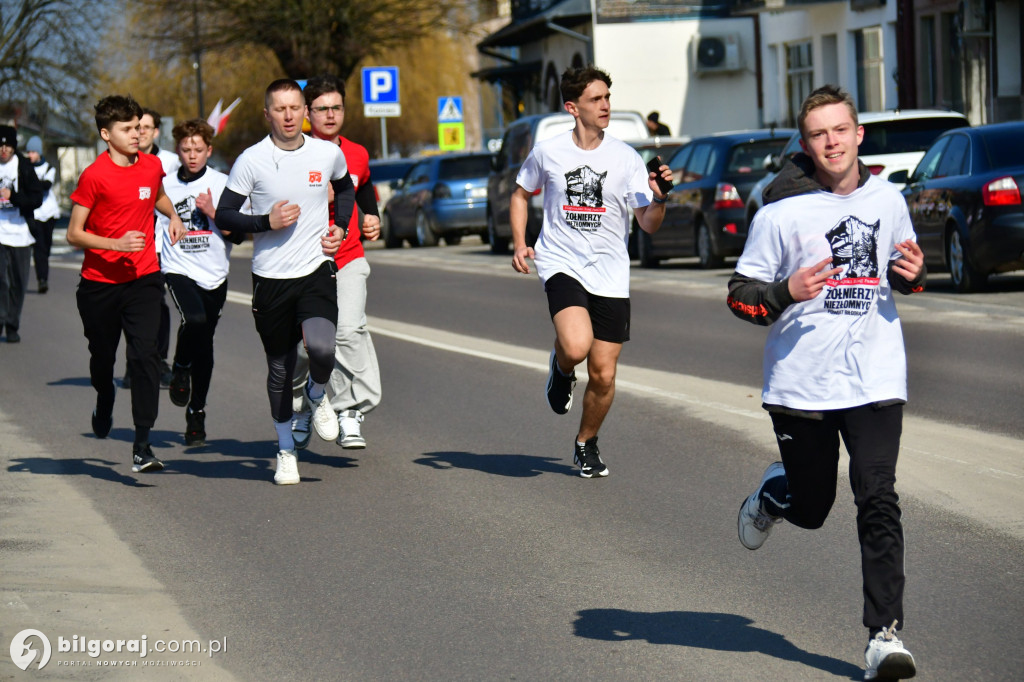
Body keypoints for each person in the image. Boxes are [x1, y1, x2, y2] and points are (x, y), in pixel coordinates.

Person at [727, 85, 924, 682]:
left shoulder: (889, 200)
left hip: (874, 376)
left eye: (841, 130)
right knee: (813, 509)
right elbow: (740, 297)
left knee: (879, 498)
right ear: (806, 144)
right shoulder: (779, 212)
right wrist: (787, 292)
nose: (832, 142)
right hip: (800, 386)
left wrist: (913, 276)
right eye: (819, 134)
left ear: (859, 134)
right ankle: (774, 495)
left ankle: (883, 637)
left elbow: (901, 271)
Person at [511, 65, 671, 478]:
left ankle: (586, 442)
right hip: (561, 262)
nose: (605, 105)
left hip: (610, 273)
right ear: (573, 107)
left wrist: (660, 199)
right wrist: (519, 242)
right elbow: (520, 193)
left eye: (607, 98)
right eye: (595, 99)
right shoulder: (548, 152)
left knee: (603, 373)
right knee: (577, 345)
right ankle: (562, 369)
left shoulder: (626, 158)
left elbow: (648, 223)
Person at [215, 78, 354, 485]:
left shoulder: (327, 153)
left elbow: (346, 188)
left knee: (324, 349)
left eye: (296, 108)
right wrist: (265, 222)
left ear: (305, 112)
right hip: (271, 278)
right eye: (280, 109)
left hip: (315, 269)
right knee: (279, 368)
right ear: (268, 114)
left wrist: (341, 227)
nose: (290, 116)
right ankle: (286, 450)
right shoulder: (251, 161)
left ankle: (315, 396)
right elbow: (225, 215)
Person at [66, 95, 187, 473]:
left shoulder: (151, 166)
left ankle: (142, 444)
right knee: (103, 359)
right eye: (127, 129)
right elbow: (74, 233)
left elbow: (159, 196)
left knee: (145, 355)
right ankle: (104, 398)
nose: (136, 134)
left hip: (144, 278)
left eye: (139, 127)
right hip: (99, 284)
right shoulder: (94, 176)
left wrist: (174, 217)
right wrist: (114, 244)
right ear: (106, 133)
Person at [290, 74, 382, 450]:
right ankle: (300, 405)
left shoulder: (357, 152)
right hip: (302, 262)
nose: (330, 115)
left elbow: (364, 188)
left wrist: (372, 216)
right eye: (322, 109)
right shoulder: (294, 152)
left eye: (336, 108)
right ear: (308, 113)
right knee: (305, 347)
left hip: (347, 256)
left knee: (346, 330)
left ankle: (349, 410)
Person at [161, 118, 241, 447]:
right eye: (185, 149)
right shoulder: (164, 185)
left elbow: (239, 233)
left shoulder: (224, 183)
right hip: (178, 266)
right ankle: (180, 367)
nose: (192, 155)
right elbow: (155, 223)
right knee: (192, 318)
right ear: (177, 150)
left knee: (205, 344)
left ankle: (197, 413)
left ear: (209, 150)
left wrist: (214, 212)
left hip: (214, 273)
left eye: (198, 149)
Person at [122, 108, 180, 389]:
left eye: (146, 127)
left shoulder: (170, 162)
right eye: (137, 127)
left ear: (156, 131)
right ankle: (134, 363)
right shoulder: (124, 161)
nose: (141, 132)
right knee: (130, 305)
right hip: (131, 243)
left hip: (161, 245)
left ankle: (159, 361)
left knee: (157, 304)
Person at [0, 125, 43, 343]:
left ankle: (12, 324)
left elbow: (36, 199)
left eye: (8, 145)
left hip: (21, 233)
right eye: (0, 145)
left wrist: (13, 196)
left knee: (18, 282)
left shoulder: (24, 167)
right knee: (1, 280)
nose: (4, 149)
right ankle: (0, 319)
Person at [25, 136, 60, 294]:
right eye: (28, 152)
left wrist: (33, 185)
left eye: (33, 152)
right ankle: (42, 280)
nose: (30, 155)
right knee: (38, 248)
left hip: (49, 213)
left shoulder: (48, 168)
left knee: (46, 248)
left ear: (39, 152)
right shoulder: (26, 168)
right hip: (35, 214)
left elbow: (46, 185)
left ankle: (43, 273)